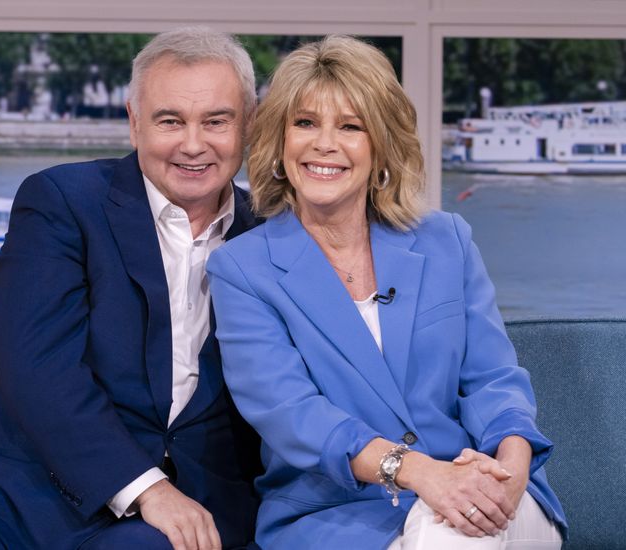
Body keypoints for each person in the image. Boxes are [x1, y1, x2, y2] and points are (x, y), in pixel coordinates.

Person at [206, 35, 567, 549]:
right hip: (339, 513)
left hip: (486, 493)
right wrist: (422, 474)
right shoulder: (243, 269)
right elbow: (293, 414)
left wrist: (508, 472)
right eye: (305, 123)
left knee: (459, 535)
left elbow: (493, 379)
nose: (324, 144)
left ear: (381, 147)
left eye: (351, 127)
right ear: (280, 143)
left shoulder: (447, 241)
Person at [0, 27, 260, 550]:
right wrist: (147, 488)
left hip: (185, 504)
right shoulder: (61, 201)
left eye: (216, 121)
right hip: (16, 487)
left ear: (248, 125)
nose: (193, 143)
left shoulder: (270, 237)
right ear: (134, 122)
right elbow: (38, 365)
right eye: (170, 120)